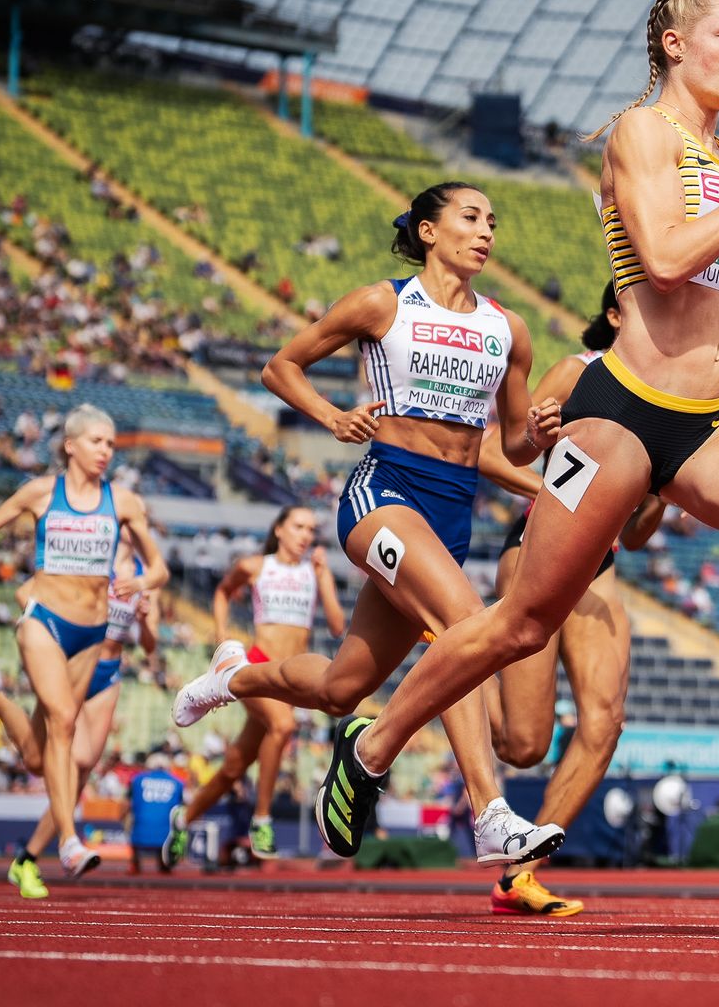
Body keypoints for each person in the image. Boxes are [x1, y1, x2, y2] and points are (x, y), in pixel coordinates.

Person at [319, 0, 719, 853]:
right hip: (621, 412)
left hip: (710, 418)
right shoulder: (644, 134)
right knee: (521, 624)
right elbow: (665, 261)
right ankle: (371, 747)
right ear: (675, 46)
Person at [170, 182, 562, 866]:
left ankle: (233, 676)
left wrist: (537, 432)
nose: (486, 231)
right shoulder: (384, 303)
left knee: (338, 689)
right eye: (471, 218)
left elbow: (508, 446)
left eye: (493, 221)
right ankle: (489, 812)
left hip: (451, 514)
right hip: (382, 493)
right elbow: (280, 366)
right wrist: (332, 417)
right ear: (429, 231)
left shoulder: (509, 329)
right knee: (467, 626)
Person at [481, 282, 664, 916]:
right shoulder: (579, 371)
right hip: (538, 547)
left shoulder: (674, 401)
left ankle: (520, 875)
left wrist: (665, 490)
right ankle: (455, 652)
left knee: (605, 722)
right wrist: (540, 445)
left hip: (602, 563)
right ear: (614, 314)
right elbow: (496, 452)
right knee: (523, 746)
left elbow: (636, 536)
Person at [0, 404, 168, 893]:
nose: (105, 451)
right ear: (70, 444)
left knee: (39, 757)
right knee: (64, 721)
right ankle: (69, 842)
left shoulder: (124, 502)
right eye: (97, 441)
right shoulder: (39, 493)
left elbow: (158, 569)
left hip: (93, 635)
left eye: (112, 444)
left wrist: (138, 583)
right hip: (45, 622)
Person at [0, 539, 161, 897]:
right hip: (69, 663)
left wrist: (146, 621)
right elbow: (26, 593)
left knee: (82, 765)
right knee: (39, 761)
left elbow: (149, 646)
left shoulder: (145, 576)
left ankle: (31, 858)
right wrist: (61, 627)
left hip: (106, 673)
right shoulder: (88, 557)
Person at [161, 505, 344, 866]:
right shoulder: (257, 566)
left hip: (290, 680)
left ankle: (182, 820)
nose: (305, 535)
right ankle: (262, 820)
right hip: (258, 666)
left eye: (310, 529)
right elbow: (221, 593)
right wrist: (222, 637)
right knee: (283, 725)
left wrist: (324, 577)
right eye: (298, 526)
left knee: (233, 767)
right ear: (279, 529)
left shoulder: (313, 571)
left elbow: (338, 627)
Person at [126, 752, 185, 875]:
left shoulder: (137, 780)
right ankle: (166, 862)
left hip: (139, 833)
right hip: (166, 835)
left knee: (131, 817)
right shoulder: (178, 782)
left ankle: (135, 862)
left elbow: (129, 802)